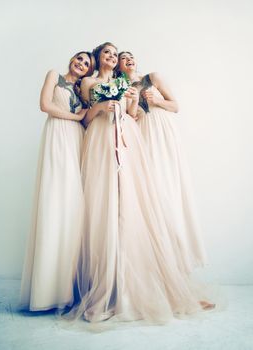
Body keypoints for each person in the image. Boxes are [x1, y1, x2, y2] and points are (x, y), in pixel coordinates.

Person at [73, 42, 214, 324]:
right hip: (100, 139)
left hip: (126, 140)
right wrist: (101, 107)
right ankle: (107, 286)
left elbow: (134, 115)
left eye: (116, 54)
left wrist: (133, 100)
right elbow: (85, 119)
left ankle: (136, 284)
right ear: (99, 57)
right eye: (107, 53)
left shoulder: (124, 81)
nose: (112, 57)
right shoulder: (88, 81)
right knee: (104, 204)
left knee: (129, 203)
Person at [118, 51, 208, 275]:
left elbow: (175, 105)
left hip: (163, 131)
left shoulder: (153, 77)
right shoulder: (121, 87)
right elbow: (129, 117)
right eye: (123, 57)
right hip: (144, 136)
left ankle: (179, 261)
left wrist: (156, 100)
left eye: (131, 56)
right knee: (153, 190)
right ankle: (155, 260)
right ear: (119, 66)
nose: (129, 59)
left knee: (168, 185)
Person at [19, 51, 95, 311]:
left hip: (77, 140)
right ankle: (46, 291)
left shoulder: (81, 89)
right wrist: (75, 117)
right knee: (55, 200)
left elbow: (89, 117)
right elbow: (45, 106)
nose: (81, 64)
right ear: (72, 59)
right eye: (79, 59)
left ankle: (69, 288)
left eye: (86, 64)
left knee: (73, 206)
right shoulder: (54, 75)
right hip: (57, 136)